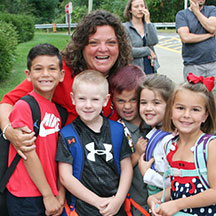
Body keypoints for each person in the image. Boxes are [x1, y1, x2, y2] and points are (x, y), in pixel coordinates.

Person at [0, 10, 132, 157]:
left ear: (120, 47)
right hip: (56, 165)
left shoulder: (124, 81)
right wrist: (9, 131)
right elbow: (7, 102)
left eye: (111, 42)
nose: (103, 49)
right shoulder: (59, 72)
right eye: (93, 42)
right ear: (82, 46)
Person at [56, 70, 133, 216]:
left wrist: (118, 200)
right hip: (82, 209)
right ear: (73, 98)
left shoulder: (117, 130)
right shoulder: (67, 135)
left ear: (105, 100)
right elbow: (65, 177)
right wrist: (97, 201)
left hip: (115, 206)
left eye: (95, 100)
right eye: (82, 99)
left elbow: (127, 167)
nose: (88, 105)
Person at [6, 43, 65, 216]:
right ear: (28, 75)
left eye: (52, 68)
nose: (45, 74)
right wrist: (48, 195)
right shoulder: (24, 106)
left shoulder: (59, 111)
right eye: (38, 69)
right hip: (25, 195)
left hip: (51, 191)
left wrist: (59, 191)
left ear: (61, 75)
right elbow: (28, 154)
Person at [148, 73, 216, 215]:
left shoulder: (209, 146)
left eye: (195, 110)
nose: (186, 115)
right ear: (171, 111)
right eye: (180, 108)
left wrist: (176, 204)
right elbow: (178, 186)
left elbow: (214, 192)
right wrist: (155, 198)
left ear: (205, 115)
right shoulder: (170, 146)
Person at [109, 64, 151, 216]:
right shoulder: (115, 131)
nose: (127, 106)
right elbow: (113, 172)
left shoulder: (155, 124)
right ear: (112, 100)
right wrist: (136, 155)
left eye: (133, 100)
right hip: (136, 205)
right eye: (120, 101)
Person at [137, 74, 174, 196]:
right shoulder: (155, 134)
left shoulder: (169, 141)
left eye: (156, 103)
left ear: (170, 105)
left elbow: (176, 182)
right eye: (143, 102)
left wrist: (147, 173)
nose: (148, 108)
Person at [175, 0, 216, 94]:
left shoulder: (212, 10)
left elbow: (212, 28)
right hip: (193, 65)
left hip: (213, 63)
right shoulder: (182, 15)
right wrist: (209, 35)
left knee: (213, 97)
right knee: (193, 95)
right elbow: (185, 37)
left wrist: (197, 12)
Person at [123, 0, 159, 74]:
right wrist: (147, 51)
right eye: (136, 6)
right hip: (133, 69)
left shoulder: (150, 26)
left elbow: (154, 41)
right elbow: (127, 51)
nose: (140, 9)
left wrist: (148, 22)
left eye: (142, 6)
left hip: (150, 67)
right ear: (130, 10)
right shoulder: (124, 28)